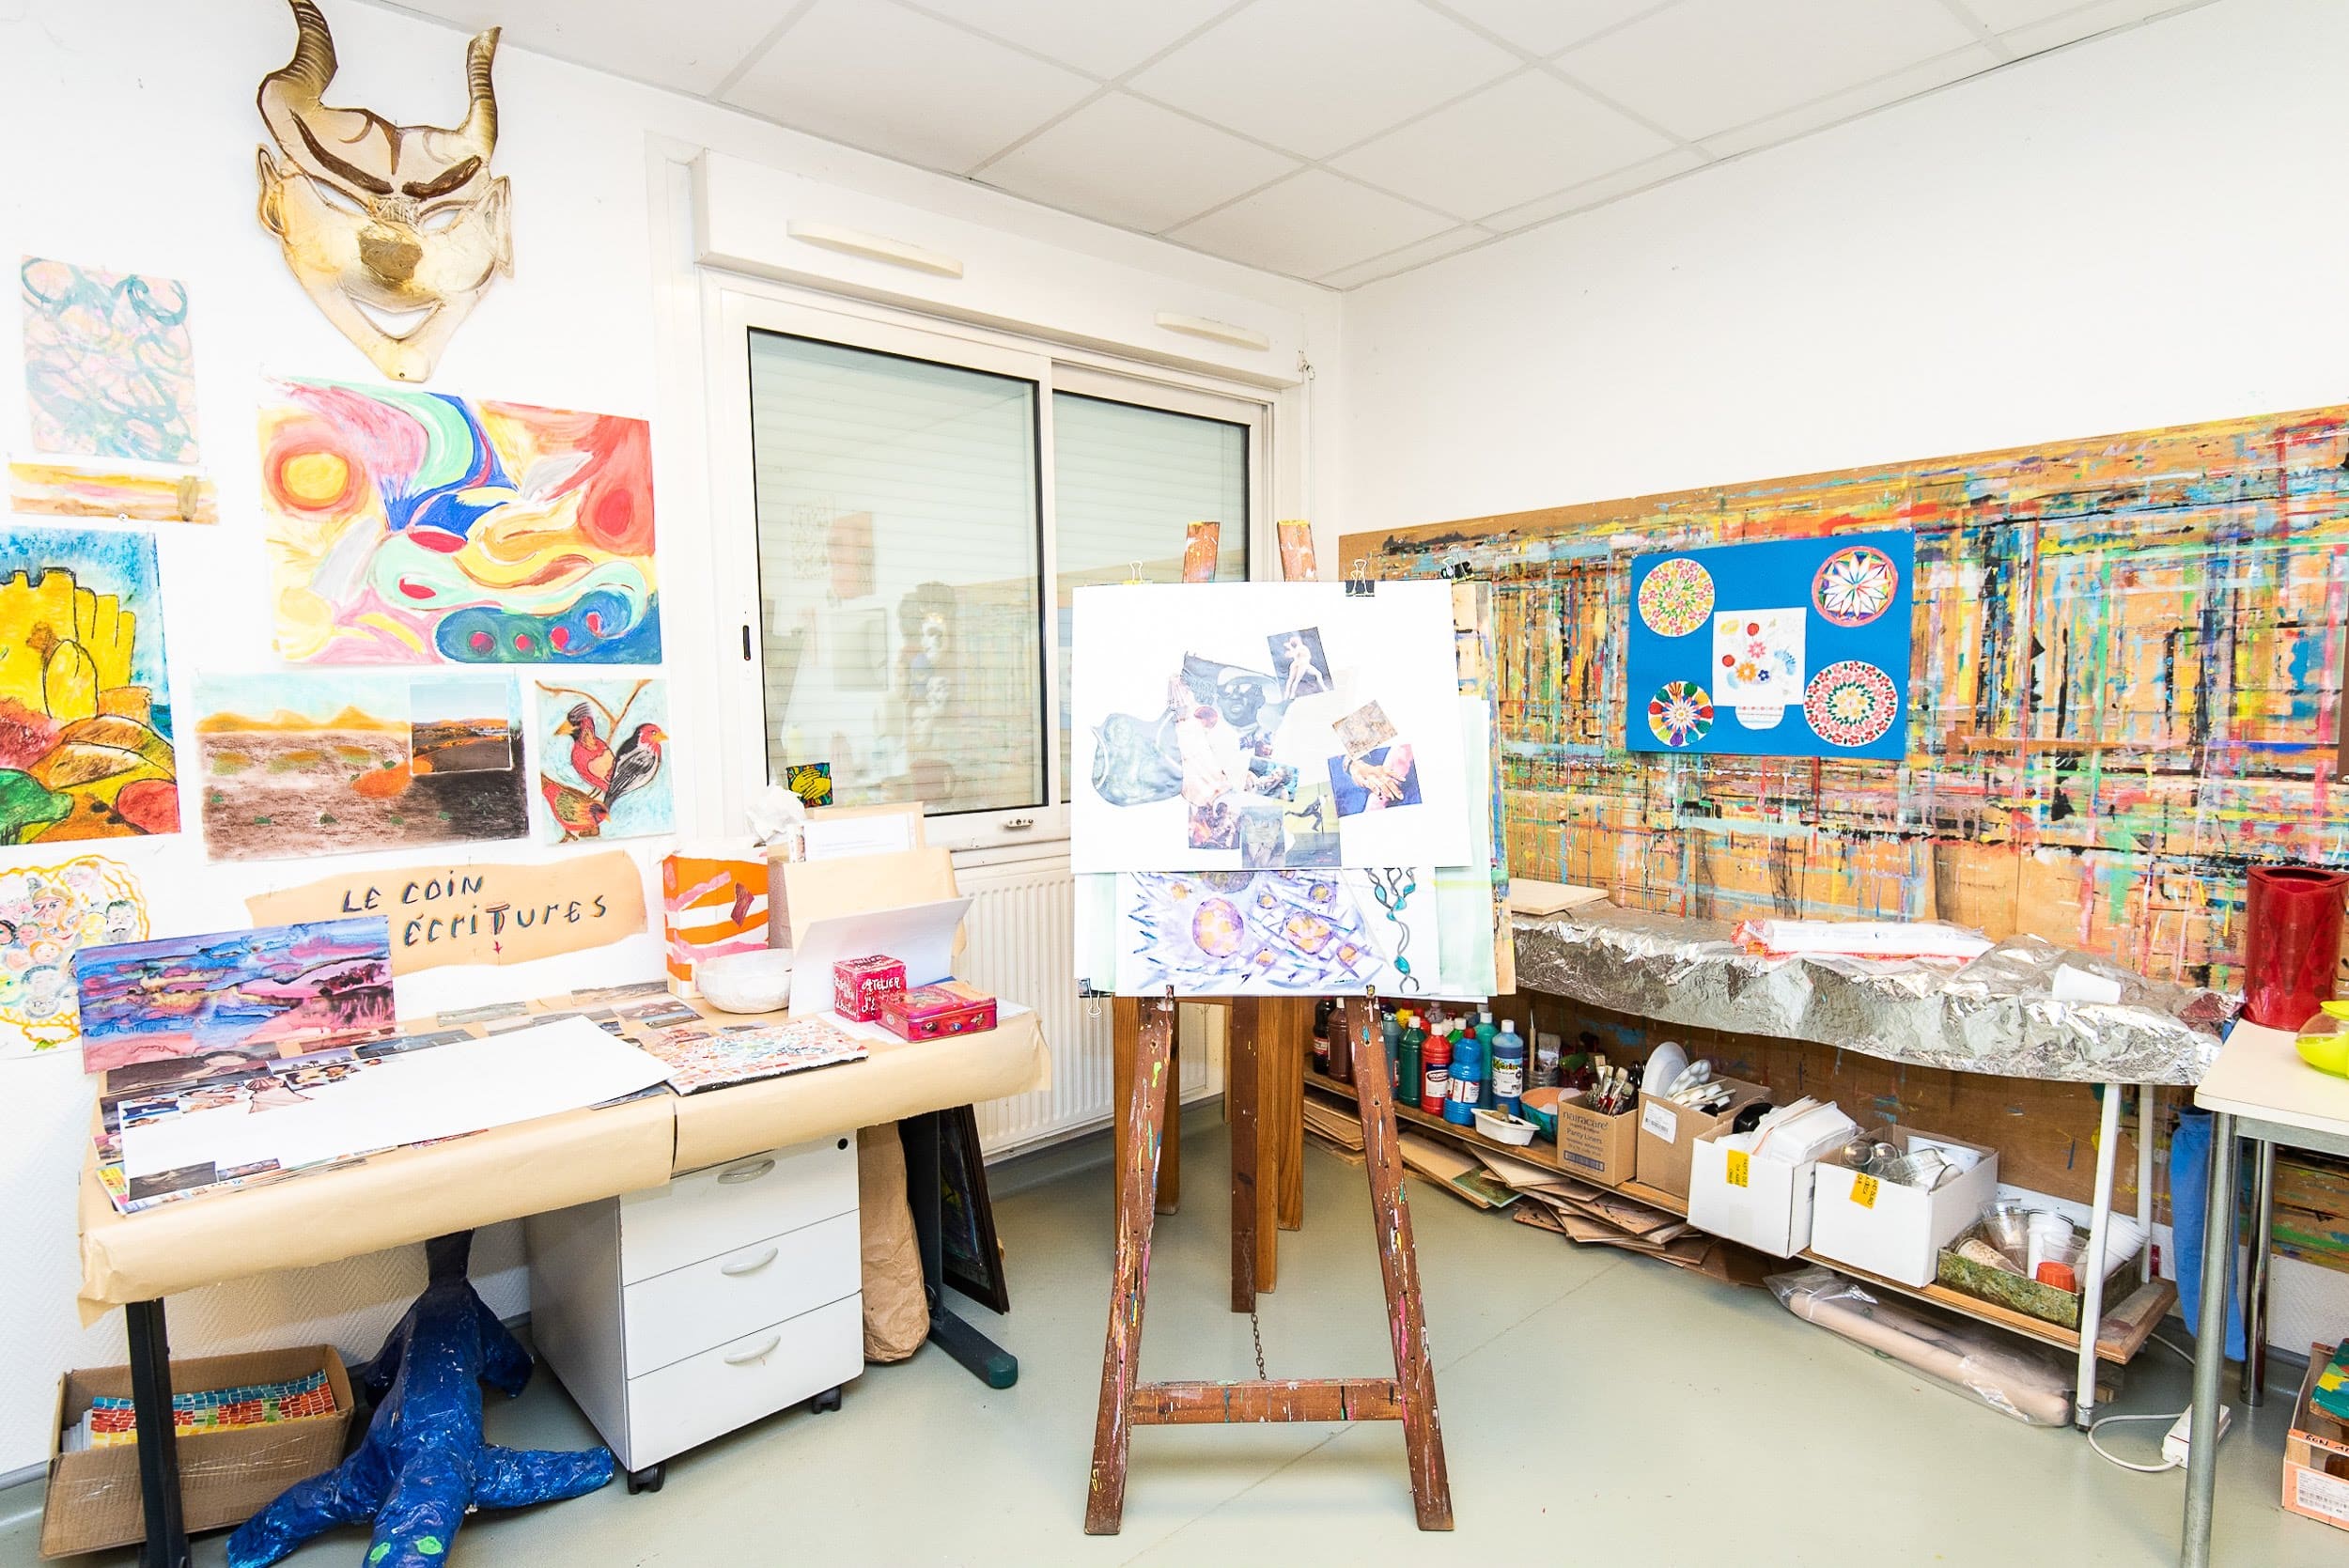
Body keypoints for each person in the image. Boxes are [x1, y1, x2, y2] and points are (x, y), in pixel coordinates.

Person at [1281, 632, 1330, 698]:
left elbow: (1295, 654)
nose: (1299, 640)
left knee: (1318, 674)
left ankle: (1323, 687)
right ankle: (1290, 694)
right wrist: (1290, 648)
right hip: (1302, 665)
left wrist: (1290, 648)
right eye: (1297, 640)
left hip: (1306, 665)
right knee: (1295, 680)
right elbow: (1294, 655)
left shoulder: (1300, 647)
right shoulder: (1299, 648)